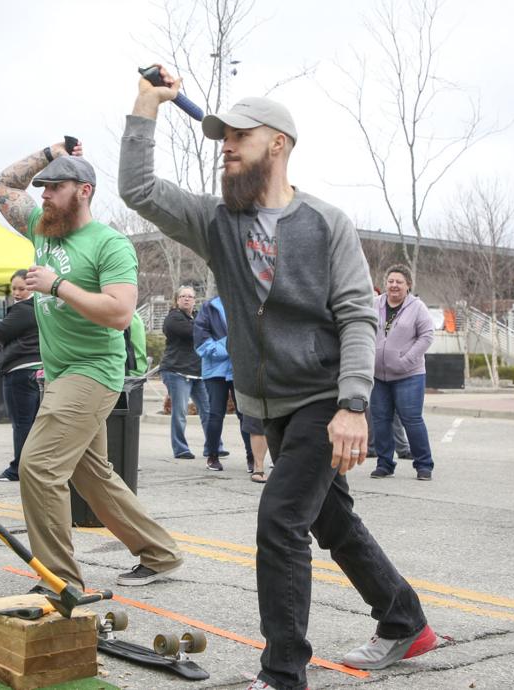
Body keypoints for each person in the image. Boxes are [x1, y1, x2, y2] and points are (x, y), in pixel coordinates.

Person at [121, 71, 436, 690]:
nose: (227, 146)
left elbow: (355, 316)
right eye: (223, 137)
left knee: (280, 521)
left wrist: (352, 405)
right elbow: (137, 187)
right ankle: (405, 621)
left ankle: (283, 673)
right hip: (270, 404)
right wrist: (145, 105)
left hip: (323, 397)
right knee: (332, 521)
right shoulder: (217, 220)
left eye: (241, 136)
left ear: (280, 144)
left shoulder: (326, 223)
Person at [0, 139, 183, 589]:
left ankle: (60, 579)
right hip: (59, 372)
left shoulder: (110, 244)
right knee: (92, 474)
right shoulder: (42, 226)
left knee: (37, 467)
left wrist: (58, 286)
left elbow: (118, 313)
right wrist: (48, 151)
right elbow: (2, 184)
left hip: (92, 370)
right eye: (43, 188)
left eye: (55, 186)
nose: (44, 195)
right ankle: (160, 553)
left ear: (85, 190)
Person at [369, 265, 436, 480]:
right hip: (378, 376)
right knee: (380, 420)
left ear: (408, 285)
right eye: (390, 281)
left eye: (399, 282)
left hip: (409, 375)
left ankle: (424, 465)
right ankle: (384, 463)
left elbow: (427, 335)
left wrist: (407, 360)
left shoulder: (417, 307)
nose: (394, 285)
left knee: (412, 419)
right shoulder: (374, 304)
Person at [0, 269, 42, 482]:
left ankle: (18, 469)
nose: (17, 293)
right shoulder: (42, 310)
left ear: (32, 288)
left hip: (19, 371)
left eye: (22, 288)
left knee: (22, 423)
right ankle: (33, 466)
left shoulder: (23, 309)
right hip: (37, 370)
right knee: (33, 423)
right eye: (14, 288)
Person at [193, 295, 253, 472]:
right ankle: (212, 456)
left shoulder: (245, 302)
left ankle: (252, 457)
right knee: (215, 414)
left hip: (240, 369)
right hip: (215, 371)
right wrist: (230, 346)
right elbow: (201, 340)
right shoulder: (209, 307)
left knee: (245, 414)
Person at [159, 285, 214, 459]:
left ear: (194, 300)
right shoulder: (173, 318)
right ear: (177, 300)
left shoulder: (198, 317)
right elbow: (192, 333)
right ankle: (181, 449)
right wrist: (208, 329)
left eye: (190, 296)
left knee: (209, 411)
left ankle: (213, 447)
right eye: (183, 296)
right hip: (176, 372)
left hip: (198, 372)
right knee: (180, 412)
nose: (187, 299)